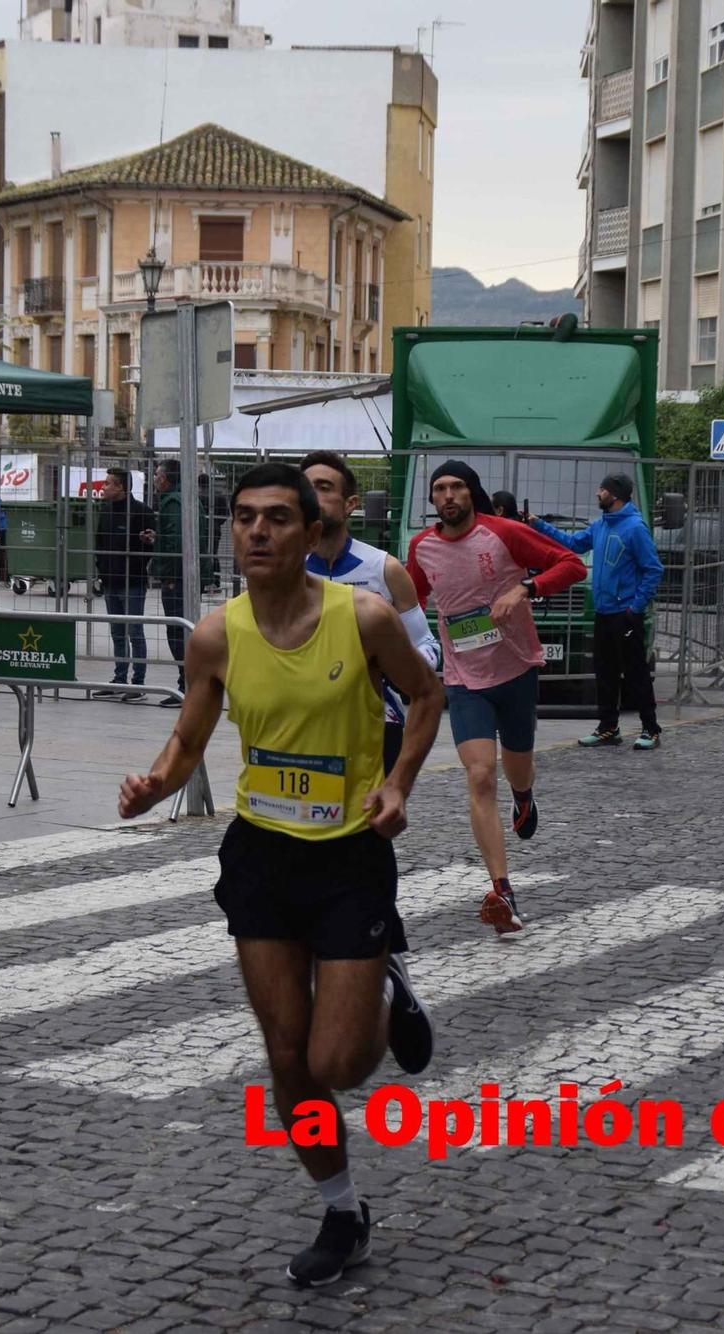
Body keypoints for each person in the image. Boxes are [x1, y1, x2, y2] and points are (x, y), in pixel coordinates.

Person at [117, 462, 444, 1288]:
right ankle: (342, 1211)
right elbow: (189, 737)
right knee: (288, 1057)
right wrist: (155, 780)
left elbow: (429, 695)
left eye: (276, 519)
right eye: (244, 518)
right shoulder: (216, 635)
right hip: (261, 854)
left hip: (347, 854)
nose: (257, 531)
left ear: (310, 534)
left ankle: (381, 988)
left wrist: (397, 783)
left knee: (336, 1063)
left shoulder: (363, 618)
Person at [405, 460, 586, 934]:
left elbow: (572, 565)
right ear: (432, 499)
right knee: (481, 776)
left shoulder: (503, 533)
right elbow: (407, 603)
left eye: (457, 487)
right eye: (440, 488)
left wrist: (527, 588)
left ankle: (524, 796)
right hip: (464, 680)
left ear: (472, 493)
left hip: (516, 668)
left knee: (517, 764)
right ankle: (502, 890)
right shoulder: (421, 548)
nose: (448, 495)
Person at [300, 450, 442, 770]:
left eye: (324, 488)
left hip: (377, 723)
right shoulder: (284, 569)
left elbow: (428, 647)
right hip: (304, 723)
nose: (312, 497)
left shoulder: (384, 568)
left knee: (374, 820)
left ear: (350, 504)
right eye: (305, 489)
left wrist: (392, 667)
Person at [530, 473, 665, 751]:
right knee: (605, 672)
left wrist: (635, 607)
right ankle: (608, 727)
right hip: (603, 612)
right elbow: (575, 543)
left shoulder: (635, 528)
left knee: (636, 672)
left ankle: (651, 729)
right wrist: (539, 525)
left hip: (625, 614)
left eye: (602, 489)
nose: (597, 493)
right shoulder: (602, 524)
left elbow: (653, 570)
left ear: (615, 495)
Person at [91, 466, 156, 701]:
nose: (104, 487)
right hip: (111, 582)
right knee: (117, 633)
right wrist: (101, 571)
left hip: (133, 583)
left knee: (134, 632)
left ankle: (137, 683)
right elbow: (100, 544)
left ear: (120, 487)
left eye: (108, 483)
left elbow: (151, 545)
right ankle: (119, 679)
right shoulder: (106, 511)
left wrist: (142, 550)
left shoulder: (141, 512)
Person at [149, 459, 188, 707]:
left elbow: (176, 542)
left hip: (176, 579)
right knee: (180, 631)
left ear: (164, 479)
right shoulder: (179, 499)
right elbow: (172, 537)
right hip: (179, 575)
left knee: (177, 632)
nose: (154, 479)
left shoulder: (173, 502)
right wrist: (157, 538)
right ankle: (187, 685)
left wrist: (171, 577)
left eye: (156, 475)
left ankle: (186, 687)